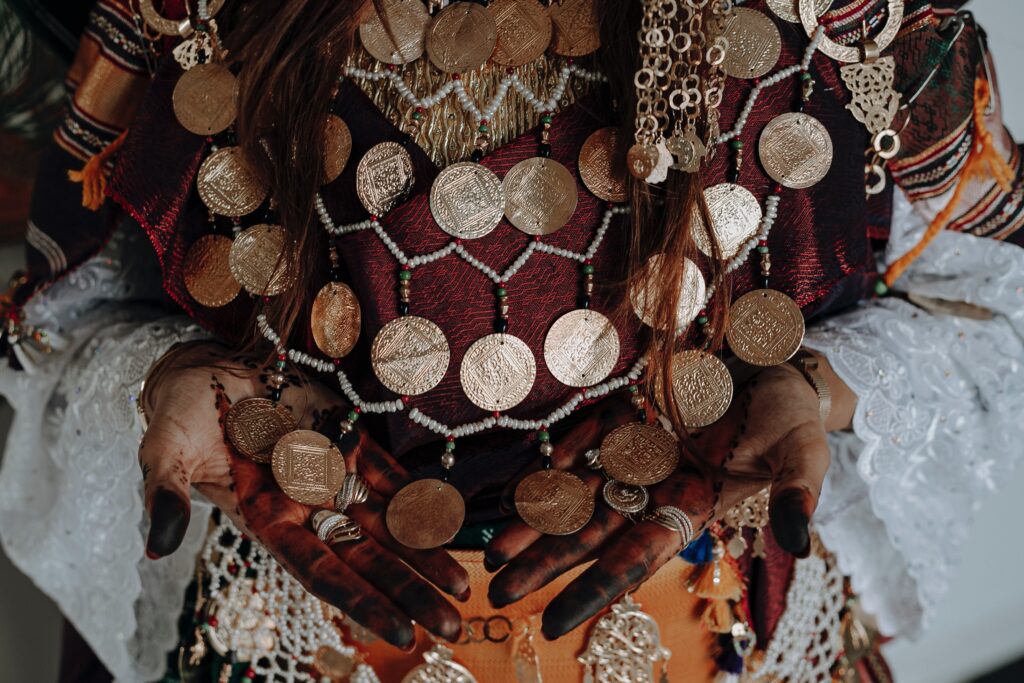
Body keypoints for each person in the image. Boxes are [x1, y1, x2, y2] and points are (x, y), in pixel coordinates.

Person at [1, 0, 1022, 681]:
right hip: (296, 640)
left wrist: (816, 381)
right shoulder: (182, 18)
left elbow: (990, 298)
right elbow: (60, 317)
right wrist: (158, 382)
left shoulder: (850, 28)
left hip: (706, 634)